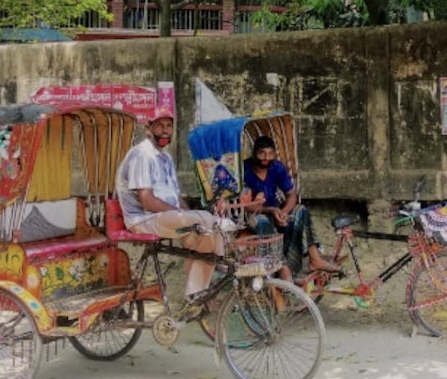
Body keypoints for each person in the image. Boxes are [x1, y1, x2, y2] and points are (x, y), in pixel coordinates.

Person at [116, 106, 223, 317]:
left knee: (211, 234)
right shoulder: (141, 155)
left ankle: (196, 295)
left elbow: (176, 197)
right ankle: (195, 296)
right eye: (160, 126)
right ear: (148, 128)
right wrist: (184, 215)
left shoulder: (165, 158)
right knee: (207, 221)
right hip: (143, 219)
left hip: (164, 217)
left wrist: (189, 214)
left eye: (169, 126)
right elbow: (147, 201)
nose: (165, 131)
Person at [240, 135, 340, 281]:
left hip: (276, 211)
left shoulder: (277, 167)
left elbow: (291, 194)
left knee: (301, 210)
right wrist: (272, 211)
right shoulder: (245, 170)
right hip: (254, 213)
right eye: (261, 153)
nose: (266, 157)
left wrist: (284, 212)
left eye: (270, 153)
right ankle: (282, 266)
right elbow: (247, 205)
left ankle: (314, 258)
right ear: (254, 153)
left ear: (274, 154)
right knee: (263, 222)